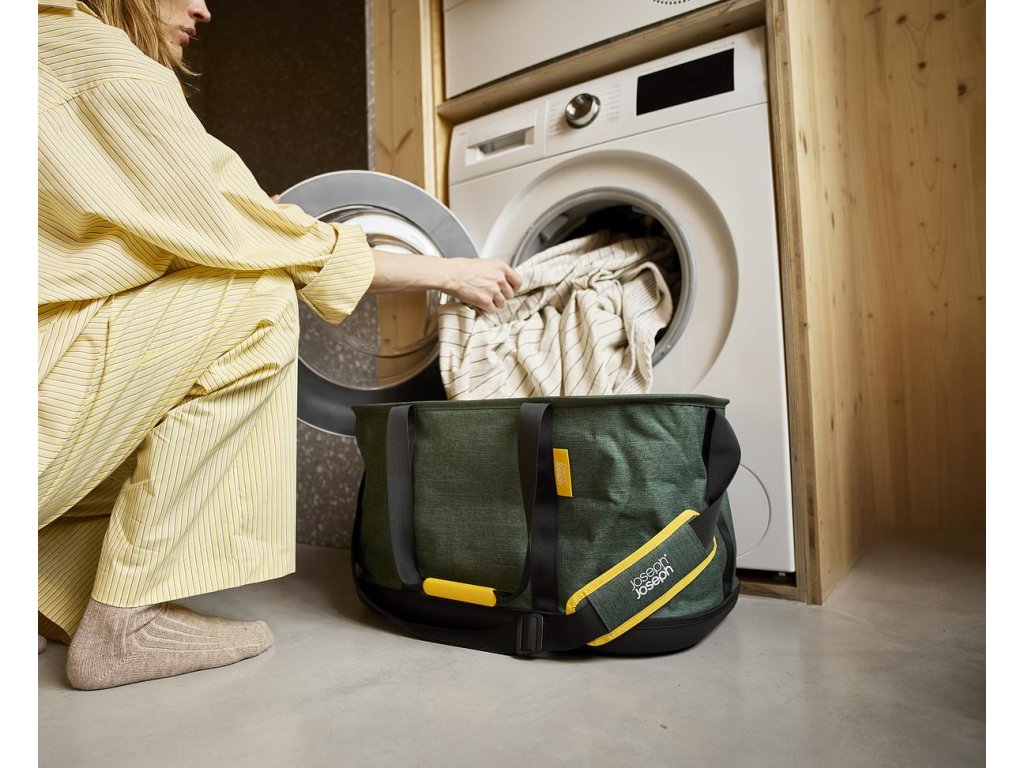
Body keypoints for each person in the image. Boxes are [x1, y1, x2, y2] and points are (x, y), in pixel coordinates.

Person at [37, 0, 521, 690]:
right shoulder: (100, 64)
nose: (205, 8)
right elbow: (252, 232)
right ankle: (125, 626)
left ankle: (39, 587)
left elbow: (186, 229)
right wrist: (447, 272)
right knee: (257, 297)